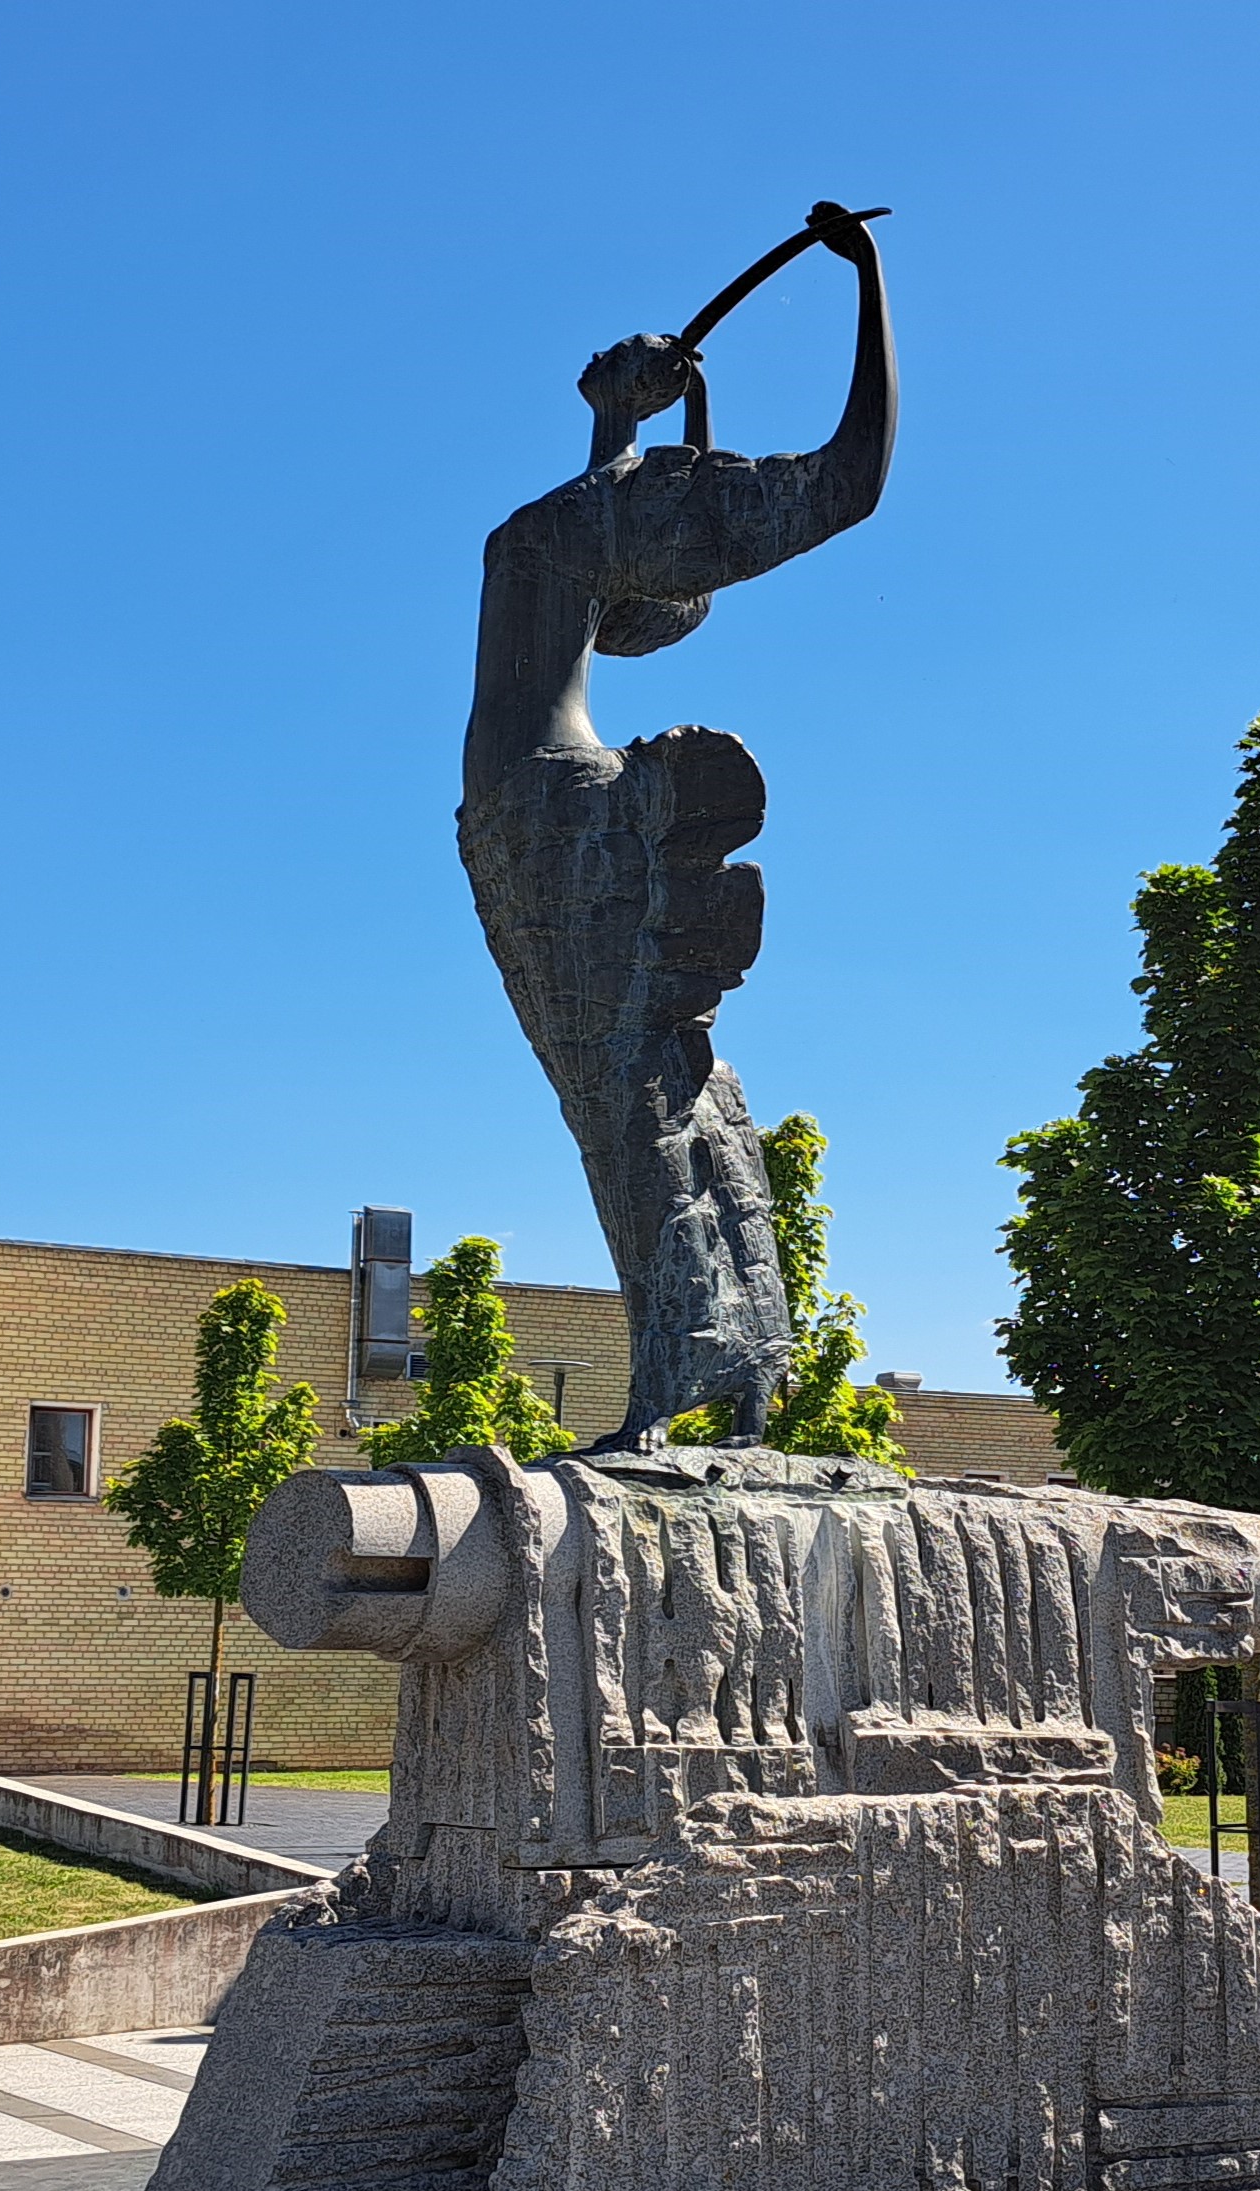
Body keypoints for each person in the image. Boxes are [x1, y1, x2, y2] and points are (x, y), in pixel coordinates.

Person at [456, 203, 896, 1445]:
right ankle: (736, 1366)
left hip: (551, 812)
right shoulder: (583, 520)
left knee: (623, 1094)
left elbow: (848, 483)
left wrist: (865, 281)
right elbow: (618, 559)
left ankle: (685, 1381)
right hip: (519, 814)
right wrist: (633, 420)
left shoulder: (593, 520)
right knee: (646, 1083)